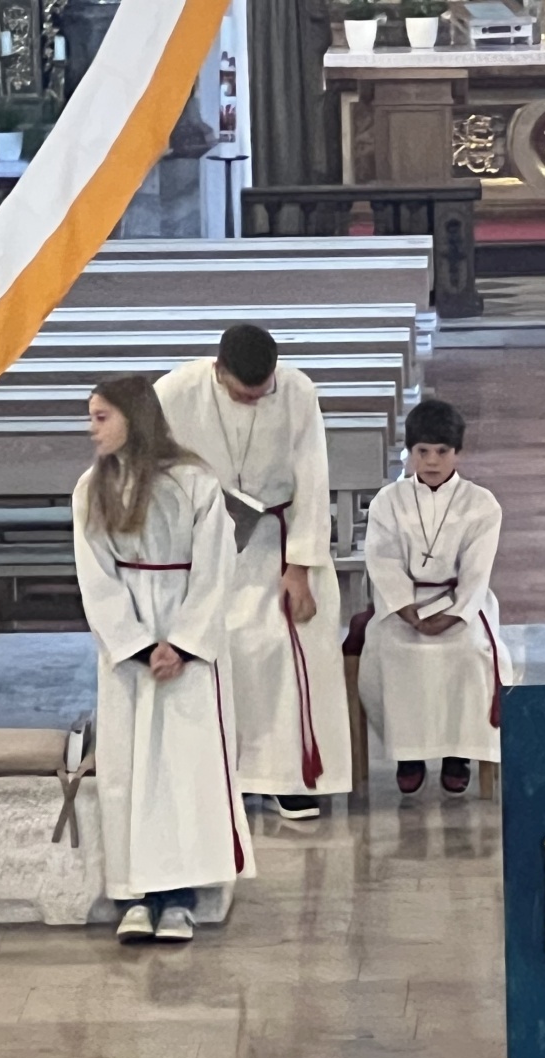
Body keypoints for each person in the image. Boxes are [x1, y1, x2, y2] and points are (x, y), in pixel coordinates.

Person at [72, 376, 255, 943]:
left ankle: (180, 897)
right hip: (129, 648)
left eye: (101, 416)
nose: (91, 428)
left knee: (184, 768)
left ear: (134, 416)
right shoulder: (91, 488)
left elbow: (216, 567)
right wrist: (136, 644)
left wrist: (183, 642)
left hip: (187, 641)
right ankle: (135, 893)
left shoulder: (194, 481)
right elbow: (95, 576)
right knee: (128, 769)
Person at [154, 324, 351, 821]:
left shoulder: (299, 391)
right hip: (203, 542)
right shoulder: (174, 392)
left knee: (287, 643)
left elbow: (313, 478)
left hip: (277, 541)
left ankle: (289, 779)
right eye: (244, 395)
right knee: (219, 646)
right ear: (218, 371)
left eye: (262, 393)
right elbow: (154, 470)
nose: (254, 401)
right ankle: (227, 776)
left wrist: (300, 567)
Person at [358, 398, 510, 796]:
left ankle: (458, 753)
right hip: (403, 605)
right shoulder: (388, 501)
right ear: (410, 451)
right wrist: (407, 611)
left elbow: (477, 569)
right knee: (393, 651)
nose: (431, 461)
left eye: (442, 451)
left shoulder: (481, 503)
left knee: (470, 652)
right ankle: (408, 754)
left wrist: (455, 614)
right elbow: (383, 560)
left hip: (459, 603)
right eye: (422, 451)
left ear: (458, 452)